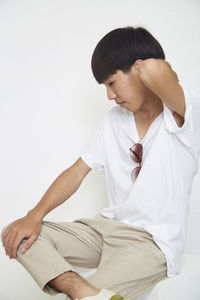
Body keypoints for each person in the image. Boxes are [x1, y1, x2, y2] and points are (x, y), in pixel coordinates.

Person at [1, 25, 200, 300]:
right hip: (105, 231)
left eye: (111, 83)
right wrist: (34, 216)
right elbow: (76, 172)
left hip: (151, 244)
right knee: (16, 234)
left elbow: (157, 72)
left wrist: (143, 67)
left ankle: (88, 293)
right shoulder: (113, 121)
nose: (109, 95)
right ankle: (80, 288)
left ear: (140, 69)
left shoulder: (181, 113)